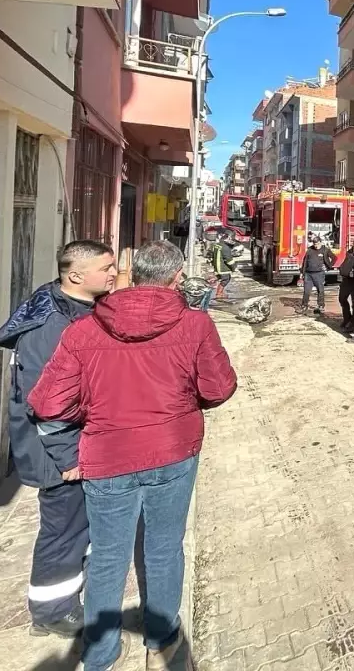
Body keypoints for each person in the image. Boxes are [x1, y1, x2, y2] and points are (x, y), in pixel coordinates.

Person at [29, 240, 237, 671]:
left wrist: (90, 413)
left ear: (131, 275)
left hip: (106, 458)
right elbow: (218, 389)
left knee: (107, 554)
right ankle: (161, 642)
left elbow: (48, 402)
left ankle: (100, 654)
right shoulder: (195, 325)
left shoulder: (84, 329)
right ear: (177, 277)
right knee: (163, 548)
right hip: (172, 453)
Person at [0, 240, 117, 639]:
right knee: (63, 528)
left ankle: (59, 601)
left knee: (74, 527)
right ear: (76, 275)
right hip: (57, 449)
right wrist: (67, 457)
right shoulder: (52, 326)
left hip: (70, 443)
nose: (114, 273)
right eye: (106, 268)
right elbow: (47, 401)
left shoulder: (69, 306)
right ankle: (52, 612)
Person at [296, 233, 335, 316]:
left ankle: (321, 306)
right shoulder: (310, 250)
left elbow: (334, 258)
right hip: (308, 274)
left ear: (320, 242)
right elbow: (305, 262)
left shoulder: (325, 249)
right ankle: (304, 306)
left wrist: (328, 267)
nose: (316, 246)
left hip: (319, 274)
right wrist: (302, 273)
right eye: (314, 244)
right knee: (306, 291)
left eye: (317, 244)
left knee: (320, 290)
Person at [337, 237, 354, 331]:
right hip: (346, 281)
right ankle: (347, 318)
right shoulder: (349, 253)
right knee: (342, 299)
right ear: (353, 244)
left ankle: (353, 323)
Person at [210, 233, 235, 298]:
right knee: (225, 279)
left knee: (222, 278)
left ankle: (220, 292)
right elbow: (229, 260)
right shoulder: (225, 248)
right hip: (222, 267)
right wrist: (233, 268)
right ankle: (219, 293)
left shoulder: (217, 245)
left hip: (217, 266)